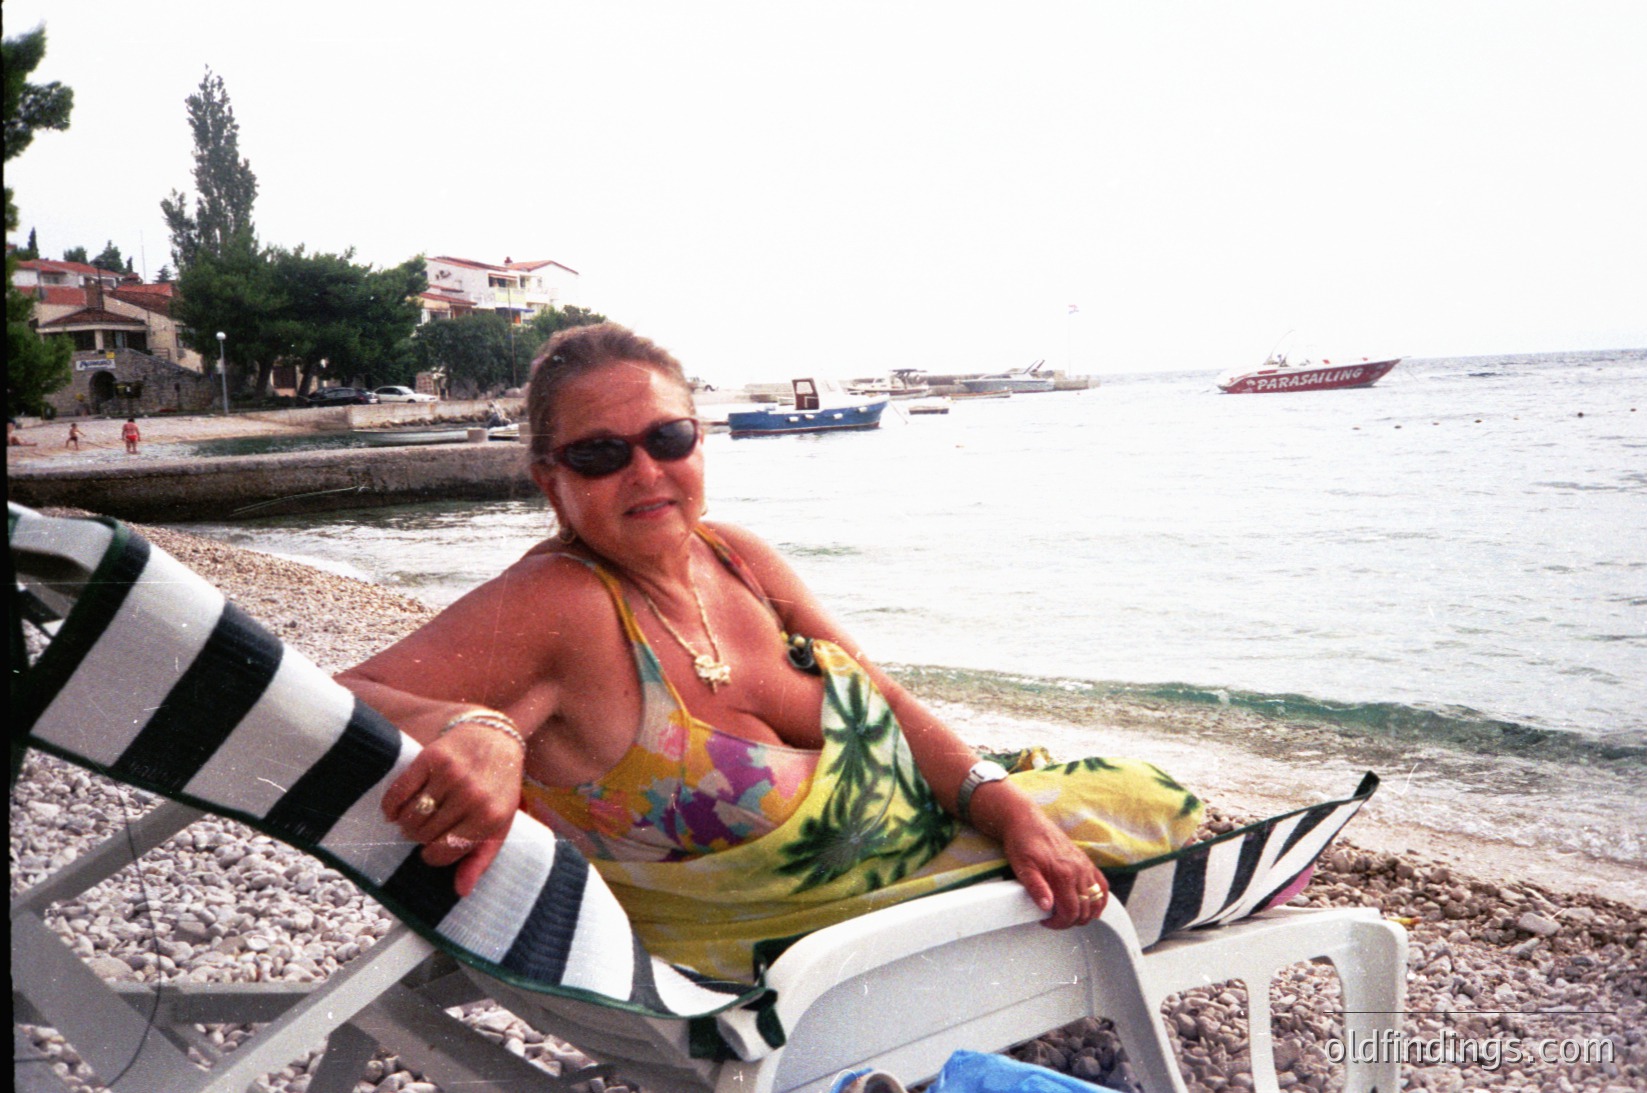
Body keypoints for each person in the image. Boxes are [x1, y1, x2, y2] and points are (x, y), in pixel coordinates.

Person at [338, 323, 1200, 981]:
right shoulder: (559, 602)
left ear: (699, 443)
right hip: (817, 952)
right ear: (547, 479)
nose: (646, 472)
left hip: (918, 848)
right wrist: (477, 725)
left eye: (668, 438)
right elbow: (339, 693)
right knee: (1155, 816)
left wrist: (1010, 814)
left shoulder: (735, 556)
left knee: (1129, 799)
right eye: (601, 454)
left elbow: (887, 703)